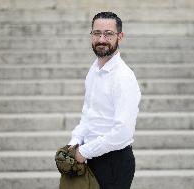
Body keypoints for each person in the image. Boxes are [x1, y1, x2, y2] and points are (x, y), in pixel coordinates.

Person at [68, 11, 141, 189]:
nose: (102, 39)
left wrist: (83, 152)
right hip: (91, 158)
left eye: (108, 34)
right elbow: (88, 114)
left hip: (114, 163)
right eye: (97, 33)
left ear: (120, 36)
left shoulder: (124, 77)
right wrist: (74, 142)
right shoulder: (94, 70)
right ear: (91, 35)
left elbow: (123, 131)